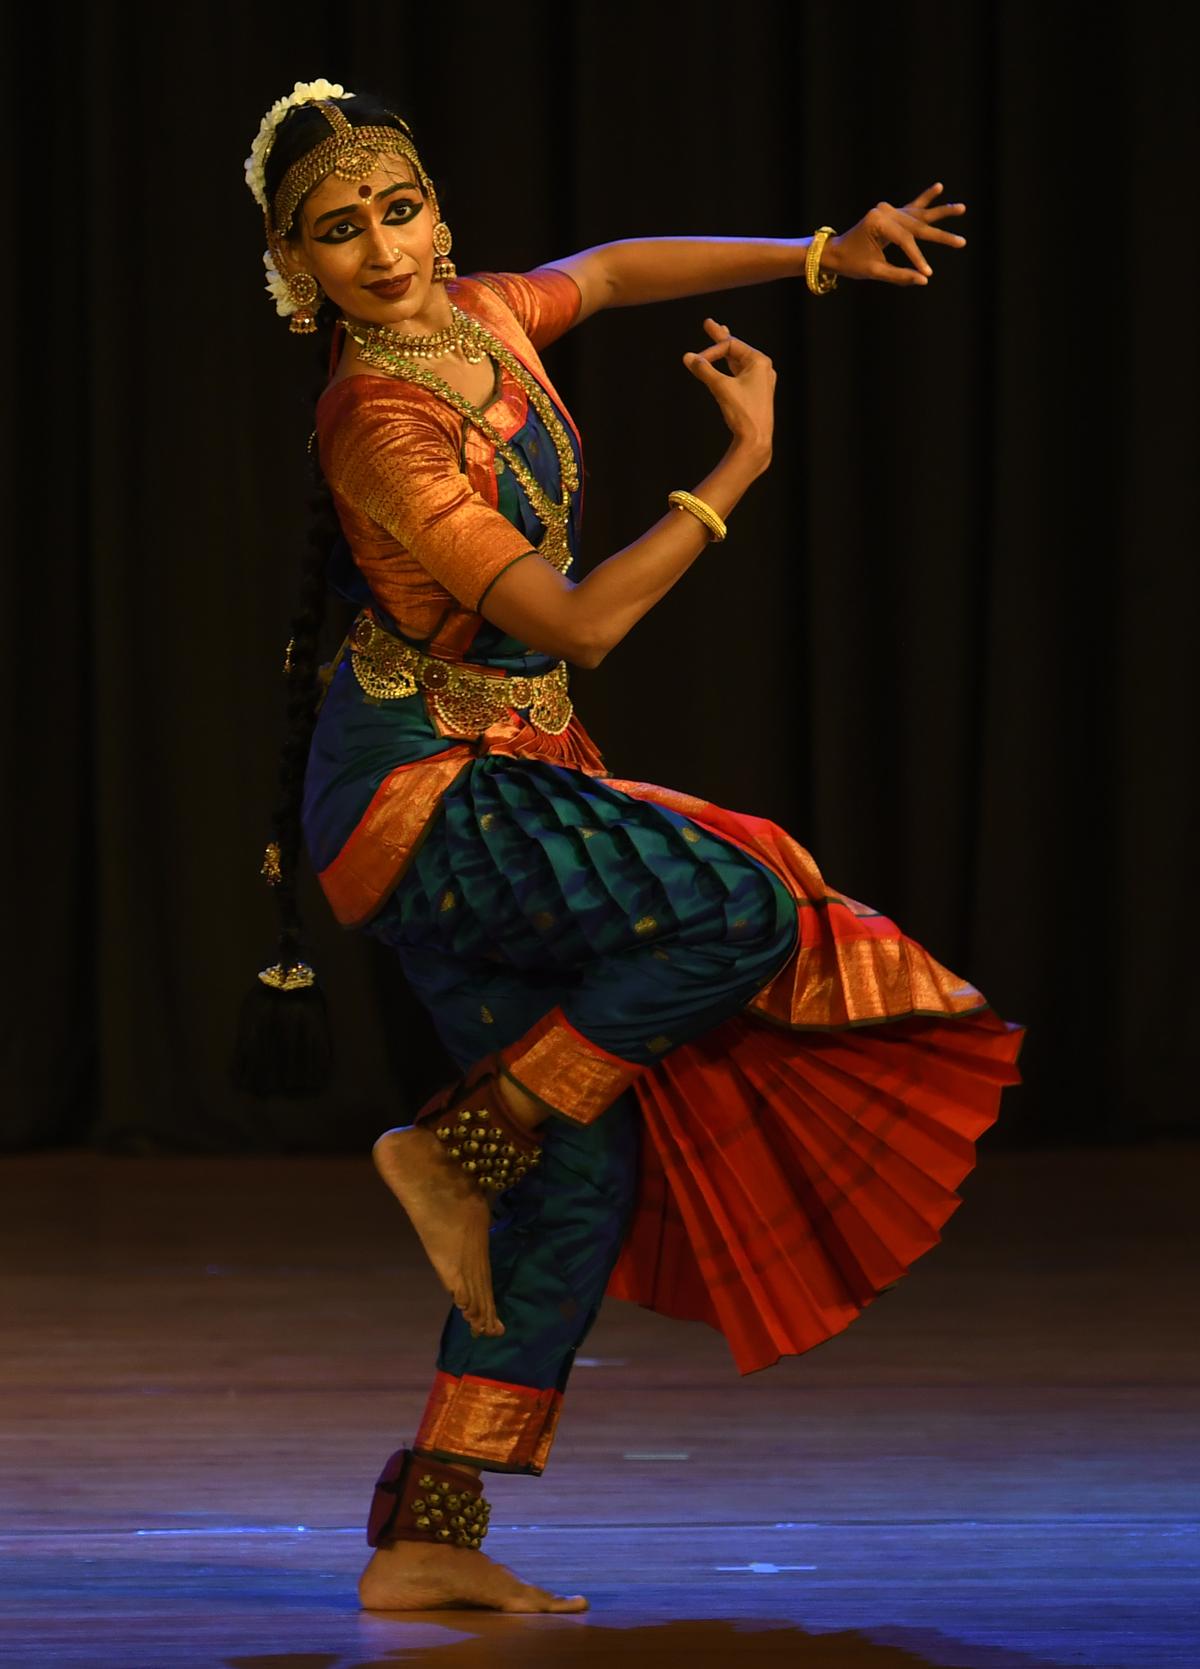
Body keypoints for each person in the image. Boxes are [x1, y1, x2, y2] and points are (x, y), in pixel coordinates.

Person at [237, 80, 1025, 1614]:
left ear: (435, 208)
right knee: (740, 899)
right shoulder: (378, 420)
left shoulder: (473, 316)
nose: (383, 249)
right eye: (338, 233)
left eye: (396, 208)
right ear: (295, 268)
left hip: (492, 771)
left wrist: (816, 252)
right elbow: (580, 623)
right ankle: (455, 1149)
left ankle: (428, 1537)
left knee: (581, 1178)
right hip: (425, 797)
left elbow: (607, 269)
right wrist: (739, 464)